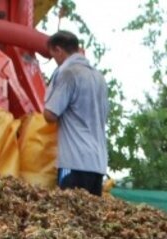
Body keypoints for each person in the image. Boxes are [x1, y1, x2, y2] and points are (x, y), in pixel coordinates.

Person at [43, 30, 109, 196]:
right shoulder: (99, 77)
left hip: (74, 161)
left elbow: (50, 114)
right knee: (90, 219)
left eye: (53, 56)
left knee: (68, 217)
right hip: (98, 163)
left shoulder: (68, 73)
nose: (55, 61)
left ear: (59, 50)